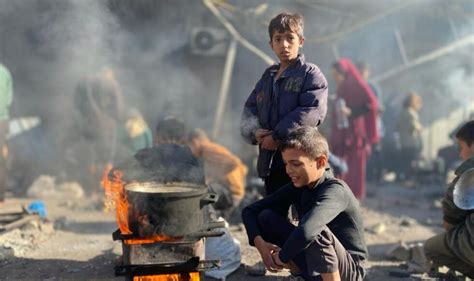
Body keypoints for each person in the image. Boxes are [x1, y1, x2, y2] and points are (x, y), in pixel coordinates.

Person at [242, 127, 368, 281]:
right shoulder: (301, 185)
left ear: (320, 162)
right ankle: (303, 274)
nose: (289, 170)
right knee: (266, 217)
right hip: (318, 263)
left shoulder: (335, 190)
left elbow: (308, 231)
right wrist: (261, 245)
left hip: (349, 271)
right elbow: (250, 211)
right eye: (286, 164)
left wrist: (281, 258)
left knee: (315, 230)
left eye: (295, 164)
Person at [240, 12, 328, 196]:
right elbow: (249, 110)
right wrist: (254, 132)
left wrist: (277, 136)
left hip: (300, 161)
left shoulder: (310, 74)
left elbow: (311, 112)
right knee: (275, 217)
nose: (284, 45)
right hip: (270, 163)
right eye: (278, 39)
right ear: (271, 44)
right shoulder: (268, 77)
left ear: (301, 41)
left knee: (302, 217)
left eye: (290, 38)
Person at [424, 120, 474, 278]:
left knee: (431, 248)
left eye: (461, 148)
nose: (460, 154)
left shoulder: (467, 175)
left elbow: (449, 224)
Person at [330, 59, 379, 200]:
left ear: (343, 72)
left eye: (336, 74)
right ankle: (341, 193)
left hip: (355, 132)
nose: (335, 78)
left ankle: (353, 195)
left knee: (355, 164)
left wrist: (351, 111)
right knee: (341, 161)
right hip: (343, 131)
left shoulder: (355, 84)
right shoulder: (342, 85)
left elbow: (371, 105)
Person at [187, 128, 248, 218]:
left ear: (195, 142)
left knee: (201, 193)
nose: (190, 151)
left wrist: (217, 178)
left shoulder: (208, 149)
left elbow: (236, 162)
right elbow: (244, 169)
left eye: (189, 146)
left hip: (232, 195)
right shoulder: (207, 151)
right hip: (231, 194)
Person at [357, 62, 385, 183]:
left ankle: (377, 176)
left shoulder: (372, 87)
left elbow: (378, 107)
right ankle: (366, 176)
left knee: (375, 150)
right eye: (360, 71)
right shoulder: (355, 86)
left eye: (364, 71)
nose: (362, 74)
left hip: (373, 125)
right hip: (361, 125)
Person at [396, 92, 423, 186]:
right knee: (411, 162)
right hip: (411, 142)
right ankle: (408, 180)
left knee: (404, 161)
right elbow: (414, 126)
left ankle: (401, 178)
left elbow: (397, 127)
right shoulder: (411, 113)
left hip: (403, 142)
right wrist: (420, 127)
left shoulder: (401, 112)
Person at [0, 62, 13, 202]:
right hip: (2, 120)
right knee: (1, 158)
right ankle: (0, 196)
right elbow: (9, 100)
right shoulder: (5, 72)